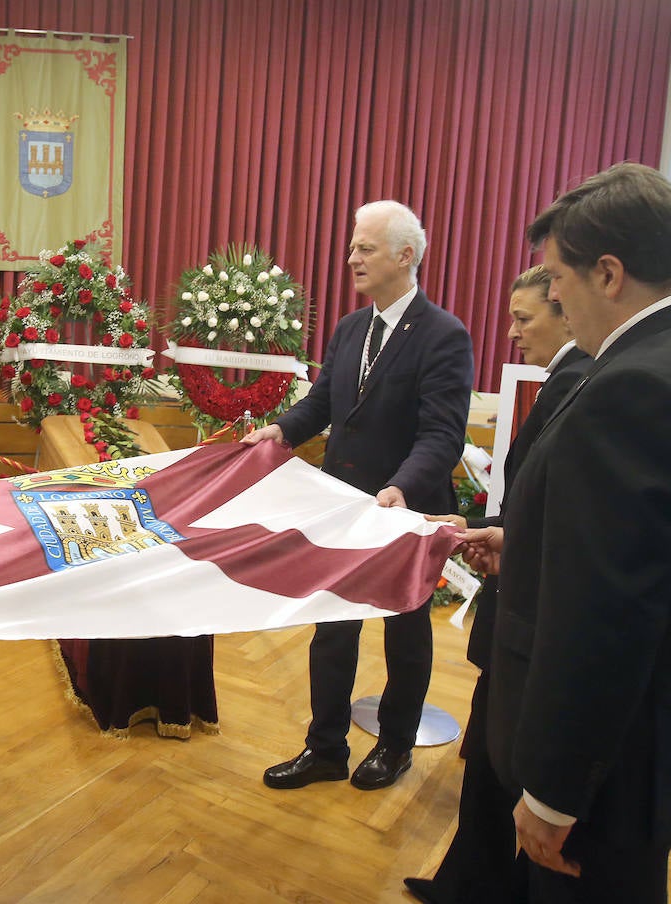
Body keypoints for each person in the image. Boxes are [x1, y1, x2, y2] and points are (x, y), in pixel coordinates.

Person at [460, 163, 671, 902]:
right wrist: (529, 546)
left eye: (557, 279)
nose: (553, 298)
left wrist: (552, 795)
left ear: (608, 273)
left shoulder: (634, 388)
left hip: (610, 766)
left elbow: (607, 621)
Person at [244, 200, 474, 791]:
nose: (351, 258)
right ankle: (325, 747)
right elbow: (323, 402)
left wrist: (400, 486)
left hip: (406, 506)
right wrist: (282, 430)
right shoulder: (351, 328)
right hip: (343, 507)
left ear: (406, 255)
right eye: (352, 247)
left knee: (405, 631)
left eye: (364, 248)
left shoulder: (444, 335)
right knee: (333, 627)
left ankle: (395, 746)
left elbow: (443, 435)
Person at [404, 266, 589, 904]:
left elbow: (564, 512)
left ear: (567, 311)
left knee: (494, 764)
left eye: (523, 318)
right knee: (485, 763)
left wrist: (506, 537)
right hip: (518, 598)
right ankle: (471, 881)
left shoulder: (582, 380)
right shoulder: (568, 378)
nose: (510, 333)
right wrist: (495, 531)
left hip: (530, 625)